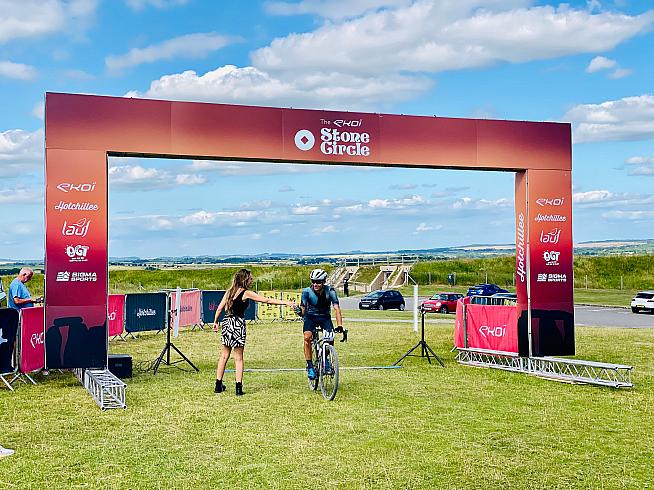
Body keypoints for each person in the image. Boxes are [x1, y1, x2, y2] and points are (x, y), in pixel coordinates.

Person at [212, 268, 296, 396]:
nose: (252, 280)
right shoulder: (246, 293)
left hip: (227, 322)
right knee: (238, 358)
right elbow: (266, 300)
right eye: (250, 278)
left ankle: (218, 385)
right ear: (245, 279)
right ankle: (238, 388)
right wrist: (286, 302)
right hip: (238, 324)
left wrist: (215, 322)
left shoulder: (229, 292)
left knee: (224, 355)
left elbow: (219, 308)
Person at [299, 268, 344, 381]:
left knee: (330, 338)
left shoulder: (331, 291)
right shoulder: (306, 292)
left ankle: (325, 359)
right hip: (310, 317)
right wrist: (299, 312)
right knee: (307, 338)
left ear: (324, 281)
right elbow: (303, 309)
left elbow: (336, 308)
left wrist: (340, 326)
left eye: (318, 282)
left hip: (325, 317)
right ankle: (310, 366)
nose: (315, 284)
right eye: (313, 281)